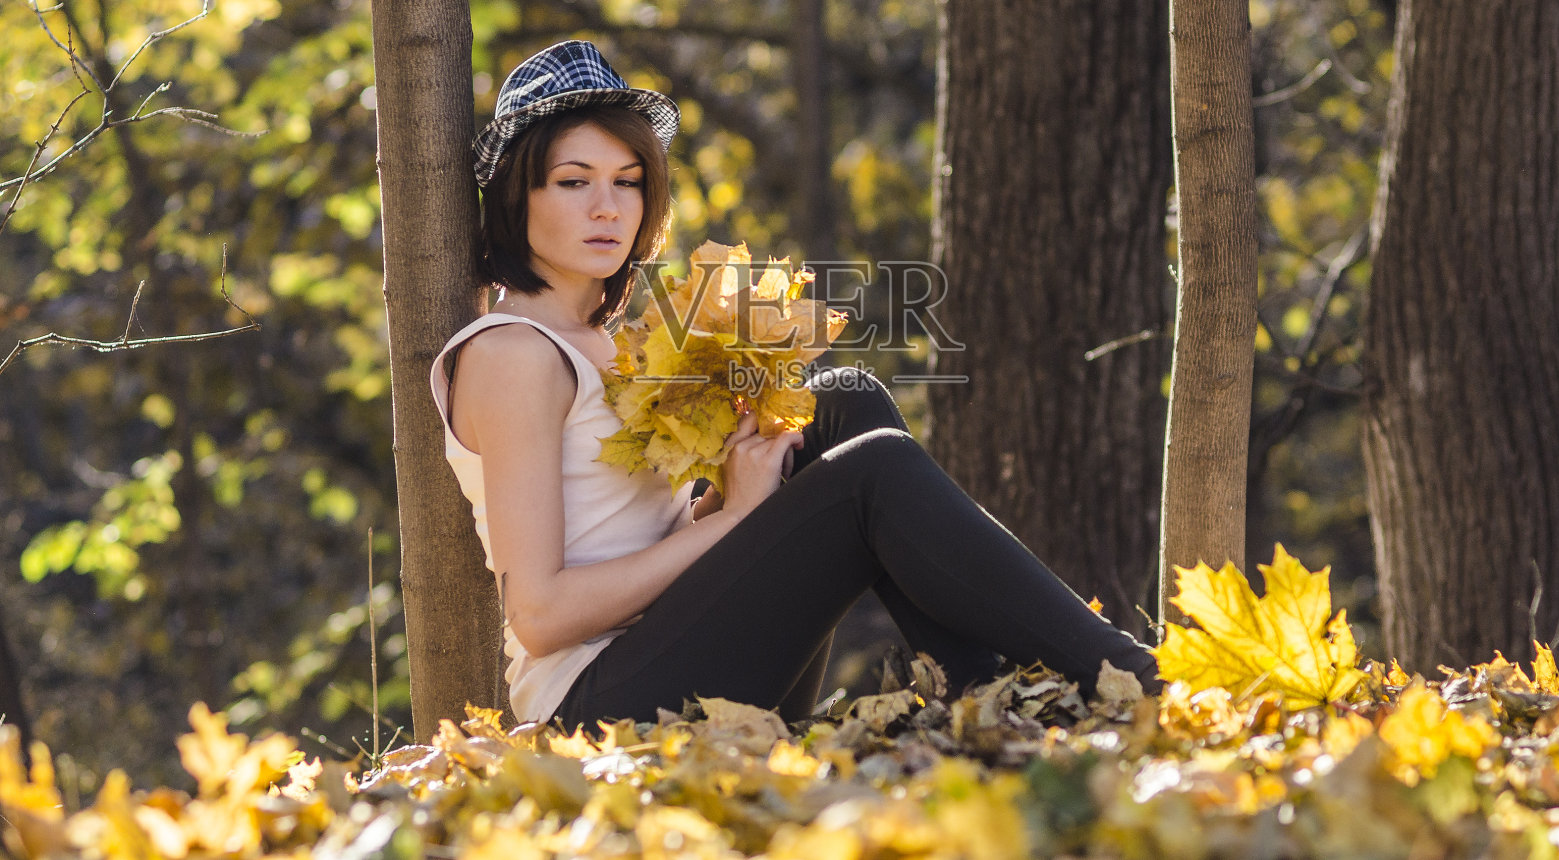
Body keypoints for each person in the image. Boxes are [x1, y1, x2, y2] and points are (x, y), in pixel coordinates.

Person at [429, 39, 1161, 729]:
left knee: (840, 401)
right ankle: (1141, 680)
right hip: (597, 706)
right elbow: (542, 614)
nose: (607, 208)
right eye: (572, 182)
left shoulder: (612, 341)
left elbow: (632, 535)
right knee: (872, 471)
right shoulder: (513, 354)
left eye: (628, 182)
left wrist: (729, 489)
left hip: (685, 644)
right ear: (514, 195)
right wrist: (732, 520)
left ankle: (982, 688)